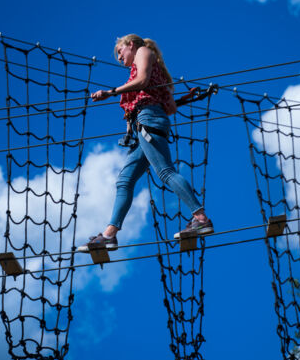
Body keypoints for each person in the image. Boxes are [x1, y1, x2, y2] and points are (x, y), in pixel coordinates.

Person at [77, 34, 213, 252]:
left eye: (120, 51)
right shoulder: (150, 67)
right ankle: (109, 235)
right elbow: (163, 104)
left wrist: (110, 93)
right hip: (145, 125)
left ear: (131, 45)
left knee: (165, 172)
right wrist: (185, 99)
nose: (119, 58)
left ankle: (201, 218)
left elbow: (141, 81)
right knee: (124, 180)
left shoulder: (143, 52)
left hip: (148, 121)